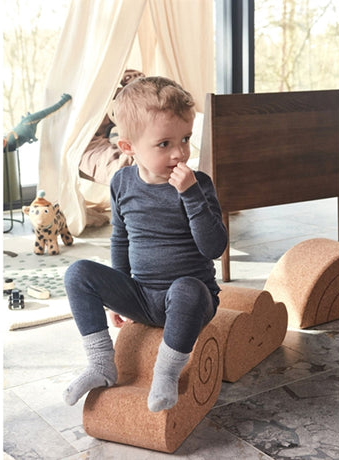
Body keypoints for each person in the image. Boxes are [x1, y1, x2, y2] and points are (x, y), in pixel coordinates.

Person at [63, 76, 228, 412]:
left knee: (188, 289)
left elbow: (213, 248)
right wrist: (117, 295)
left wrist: (191, 195)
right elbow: (121, 239)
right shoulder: (121, 183)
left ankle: (166, 374)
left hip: (190, 300)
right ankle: (101, 364)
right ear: (129, 148)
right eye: (164, 144)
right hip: (141, 295)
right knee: (78, 273)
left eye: (185, 139)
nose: (180, 153)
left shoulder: (198, 185)